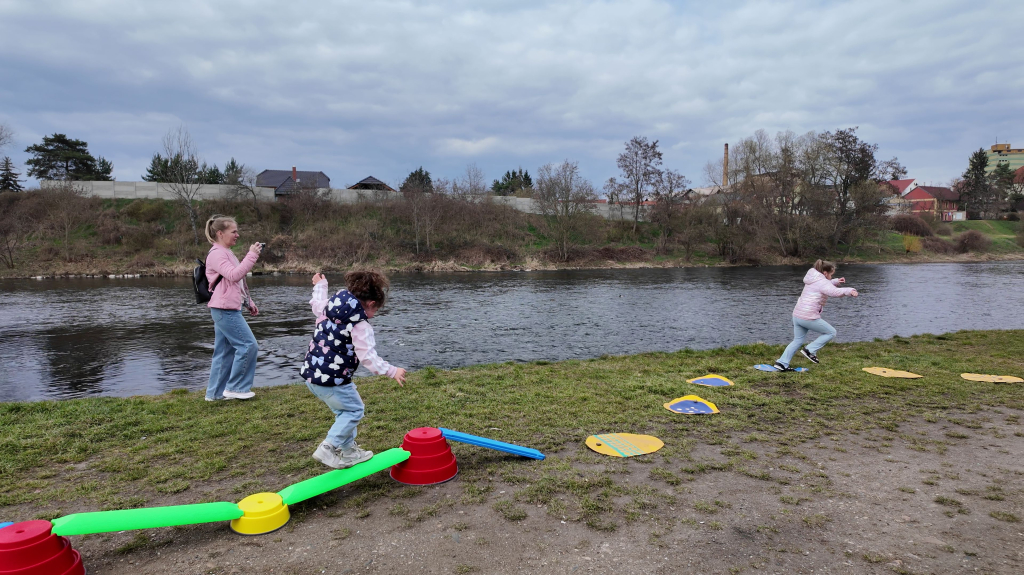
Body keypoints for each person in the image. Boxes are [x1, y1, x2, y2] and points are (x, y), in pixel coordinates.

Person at [302, 270, 407, 469]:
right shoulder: (360, 325)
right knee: (354, 410)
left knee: (344, 412)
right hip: (333, 380)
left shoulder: (330, 306)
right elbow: (368, 357)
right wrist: (392, 371)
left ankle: (349, 451)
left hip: (312, 376)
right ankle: (328, 447)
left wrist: (321, 285)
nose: (373, 316)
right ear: (371, 304)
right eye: (375, 311)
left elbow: (316, 303)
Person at [204, 214, 262, 401]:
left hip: (227, 308)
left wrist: (248, 302)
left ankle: (214, 394)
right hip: (224, 310)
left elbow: (235, 283)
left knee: (224, 353)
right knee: (248, 345)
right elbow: (234, 275)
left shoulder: (226, 252)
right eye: (234, 231)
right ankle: (236, 387)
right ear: (220, 233)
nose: (237, 235)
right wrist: (252, 254)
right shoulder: (217, 254)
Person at [774, 259, 858, 371]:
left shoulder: (813, 279)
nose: (831, 276)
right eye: (831, 274)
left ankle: (781, 363)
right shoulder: (822, 282)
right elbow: (833, 292)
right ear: (825, 273)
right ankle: (810, 350)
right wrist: (850, 291)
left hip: (797, 315)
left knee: (797, 341)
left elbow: (823, 285)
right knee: (831, 332)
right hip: (808, 316)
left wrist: (835, 281)